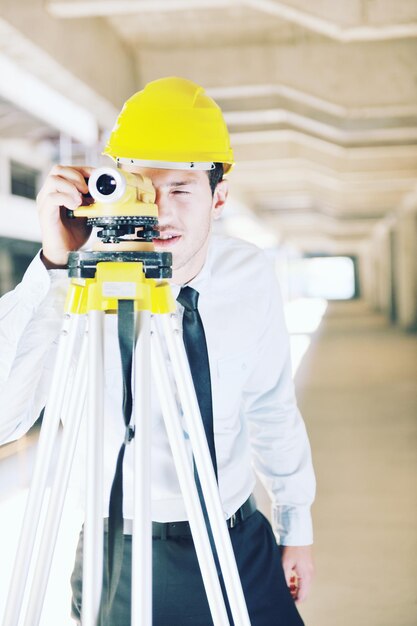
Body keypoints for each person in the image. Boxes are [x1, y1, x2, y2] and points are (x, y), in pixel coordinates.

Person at [0, 77, 315, 625]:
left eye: (181, 189)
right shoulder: (76, 285)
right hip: (118, 554)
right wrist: (53, 269)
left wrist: (296, 525)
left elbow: (271, 405)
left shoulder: (249, 274)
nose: (159, 210)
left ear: (219, 197)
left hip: (239, 540)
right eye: (141, 185)